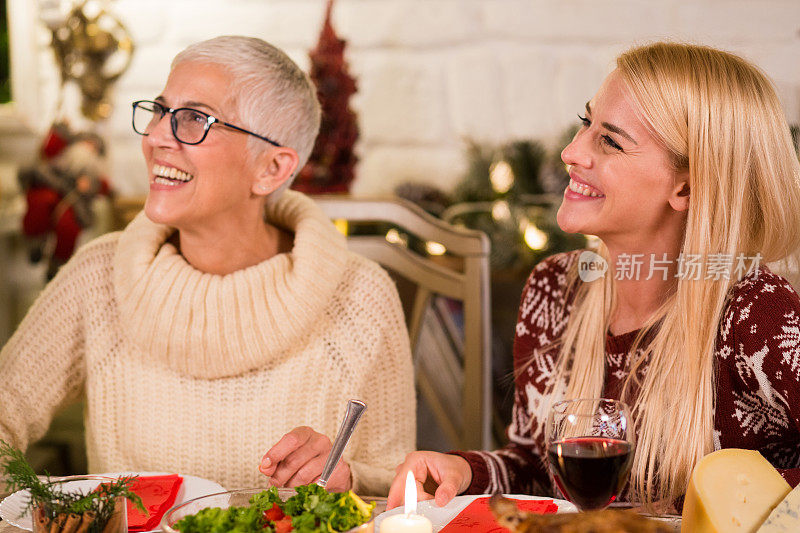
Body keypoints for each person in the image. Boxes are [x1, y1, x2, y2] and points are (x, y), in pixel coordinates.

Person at [388, 41, 800, 511]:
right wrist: (465, 470)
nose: (570, 152)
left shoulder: (758, 314)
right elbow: (540, 471)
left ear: (687, 186)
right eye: (587, 124)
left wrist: (736, 504)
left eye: (609, 141)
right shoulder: (556, 289)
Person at [0, 36, 415, 496]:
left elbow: (394, 492)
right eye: (160, 111)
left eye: (195, 119)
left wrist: (349, 476)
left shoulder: (359, 297)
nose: (157, 136)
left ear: (272, 170)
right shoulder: (98, 275)